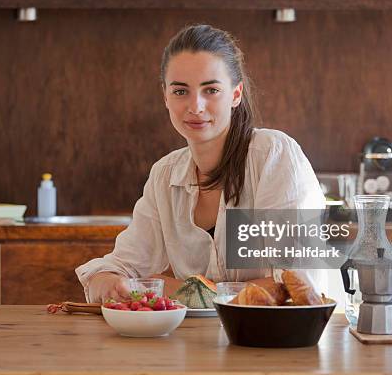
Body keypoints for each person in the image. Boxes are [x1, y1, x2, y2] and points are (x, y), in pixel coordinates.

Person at [76, 24, 325, 303]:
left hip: (288, 342)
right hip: (198, 344)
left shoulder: (273, 156)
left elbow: (295, 283)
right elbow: (123, 267)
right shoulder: (165, 175)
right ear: (165, 97)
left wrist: (173, 288)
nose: (195, 106)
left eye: (211, 90)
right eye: (181, 91)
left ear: (235, 94)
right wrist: (105, 280)